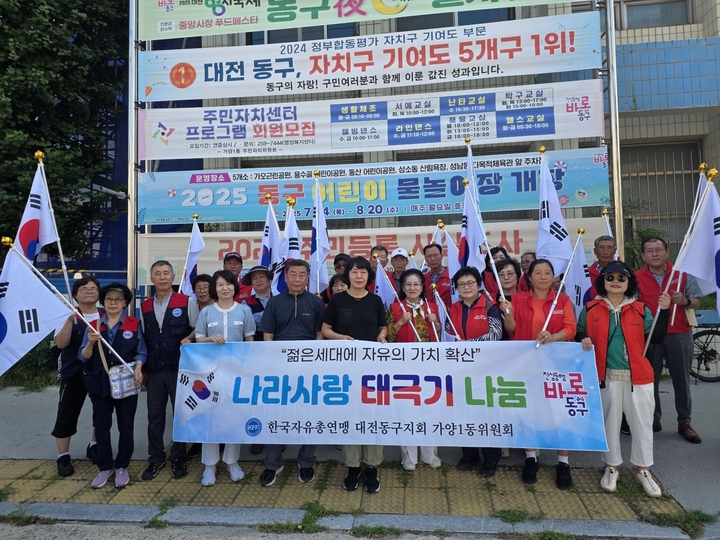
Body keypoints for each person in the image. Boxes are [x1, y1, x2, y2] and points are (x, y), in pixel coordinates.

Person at [577, 261, 671, 498]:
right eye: (610, 277)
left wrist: (665, 310)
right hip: (606, 377)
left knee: (642, 424)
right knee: (610, 424)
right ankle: (611, 467)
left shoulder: (640, 309)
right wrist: (583, 337)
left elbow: (656, 337)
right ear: (603, 281)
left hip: (638, 378)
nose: (616, 282)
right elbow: (579, 331)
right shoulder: (590, 308)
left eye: (621, 278)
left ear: (629, 282)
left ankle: (643, 469)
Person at [504, 259, 577, 489]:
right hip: (527, 365)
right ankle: (530, 457)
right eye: (538, 273)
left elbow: (570, 328)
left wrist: (553, 337)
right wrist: (507, 313)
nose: (543, 277)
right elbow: (511, 330)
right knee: (528, 411)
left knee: (558, 412)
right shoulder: (517, 300)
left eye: (547, 273)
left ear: (554, 277)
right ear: (529, 277)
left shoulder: (562, 300)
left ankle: (563, 462)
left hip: (556, 366)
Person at [257, 259, 326, 486]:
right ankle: (273, 463)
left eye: (302, 275)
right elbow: (268, 334)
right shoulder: (275, 302)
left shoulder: (316, 302)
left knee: (310, 414)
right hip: (279, 368)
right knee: (275, 414)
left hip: (308, 368)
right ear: (285, 277)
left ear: (307, 278)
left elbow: (319, 334)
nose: (297, 279)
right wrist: (272, 362)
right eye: (293, 274)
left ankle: (306, 461)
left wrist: (312, 359)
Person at [322, 256, 387, 493]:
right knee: (349, 415)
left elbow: (382, 326)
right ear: (347, 274)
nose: (359, 276)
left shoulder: (375, 300)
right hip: (344, 368)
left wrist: (381, 336)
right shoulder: (337, 300)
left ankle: (372, 467)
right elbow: (325, 330)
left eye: (363, 272)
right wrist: (342, 338)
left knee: (372, 416)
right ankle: (352, 467)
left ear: (369, 276)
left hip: (371, 369)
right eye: (354, 271)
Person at [635, 238, 702, 443]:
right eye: (650, 251)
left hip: (679, 332)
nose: (654, 254)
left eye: (658, 250)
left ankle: (684, 422)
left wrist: (684, 301)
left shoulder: (682, 274)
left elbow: (696, 300)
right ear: (643, 256)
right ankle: (653, 418)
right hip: (650, 335)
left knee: (681, 379)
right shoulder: (636, 277)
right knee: (650, 379)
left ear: (667, 252)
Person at [80, 283, 145, 489]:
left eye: (118, 299)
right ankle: (104, 467)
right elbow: (83, 356)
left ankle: (122, 466)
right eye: (109, 299)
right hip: (99, 384)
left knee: (125, 426)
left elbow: (141, 351)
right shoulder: (93, 325)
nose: (113, 303)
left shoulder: (134, 324)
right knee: (101, 427)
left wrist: (139, 367)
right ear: (103, 302)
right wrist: (90, 343)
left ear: (125, 303)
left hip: (126, 384)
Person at [194, 270, 256, 486]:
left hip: (237, 373)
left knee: (233, 416)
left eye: (228, 284)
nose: (225, 288)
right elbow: (198, 340)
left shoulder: (244, 311)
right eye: (220, 284)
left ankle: (232, 462)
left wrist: (248, 367)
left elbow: (250, 340)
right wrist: (211, 338)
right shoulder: (206, 312)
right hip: (211, 372)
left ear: (234, 286)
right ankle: (209, 465)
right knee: (210, 416)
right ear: (215, 288)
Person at [140, 261, 198, 481]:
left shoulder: (186, 301)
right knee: (154, 416)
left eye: (166, 273)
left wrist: (189, 338)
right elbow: (143, 338)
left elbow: (197, 329)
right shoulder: (145, 306)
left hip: (179, 368)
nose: (162, 277)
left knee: (180, 415)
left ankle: (177, 457)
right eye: (157, 273)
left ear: (173, 277)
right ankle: (155, 458)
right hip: (154, 370)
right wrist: (143, 368)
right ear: (152, 279)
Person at [448, 267, 507, 477]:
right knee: (464, 412)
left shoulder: (490, 306)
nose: (466, 287)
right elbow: (447, 334)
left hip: (486, 368)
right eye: (461, 284)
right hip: (461, 368)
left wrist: (468, 344)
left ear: (478, 284)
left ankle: (491, 458)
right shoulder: (453, 308)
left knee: (487, 413)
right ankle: (469, 454)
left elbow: (496, 334)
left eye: (470, 283)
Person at [386, 269, 442, 471]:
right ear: (402, 287)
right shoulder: (395, 308)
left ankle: (430, 453)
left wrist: (436, 322)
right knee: (407, 411)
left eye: (416, 284)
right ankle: (408, 456)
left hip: (430, 366)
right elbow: (387, 338)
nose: (412, 288)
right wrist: (401, 322)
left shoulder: (432, 307)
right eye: (408, 284)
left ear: (422, 286)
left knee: (430, 410)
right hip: (404, 367)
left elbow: (442, 336)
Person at [52, 277, 102, 477]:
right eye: (84, 289)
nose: (89, 291)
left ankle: (94, 445)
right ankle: (63, 456)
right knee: (67, 413)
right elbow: (61, 344)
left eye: (93, 288)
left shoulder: (105, 315)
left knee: (101, 412)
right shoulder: (68, 315)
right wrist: (68, 321)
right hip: (73, 373)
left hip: (98, 372)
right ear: (75, 295)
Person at [242, 265, 273, 342]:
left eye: (262, 277)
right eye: (254, 278)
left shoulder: (279, 298)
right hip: (255, 343)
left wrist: (257, 317)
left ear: (269, 279)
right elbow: (247, 322)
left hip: (279, 343)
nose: (258, 280)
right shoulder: (246, 302)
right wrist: (271, 315)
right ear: (251, 282)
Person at [422, 243, 452, 310]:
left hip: (447, 314)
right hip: (428, 313)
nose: (433, 259)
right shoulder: (422, 278)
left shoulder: (452, 276)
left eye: (435, 255)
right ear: (425, 259)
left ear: (442, 256)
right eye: (429, 256)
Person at [588, 236, 618, 300]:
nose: (605, 252)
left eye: (609, 247)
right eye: (601, 247)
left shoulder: (623, 273)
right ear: (595, 251)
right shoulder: (586, 274)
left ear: (614, 251)